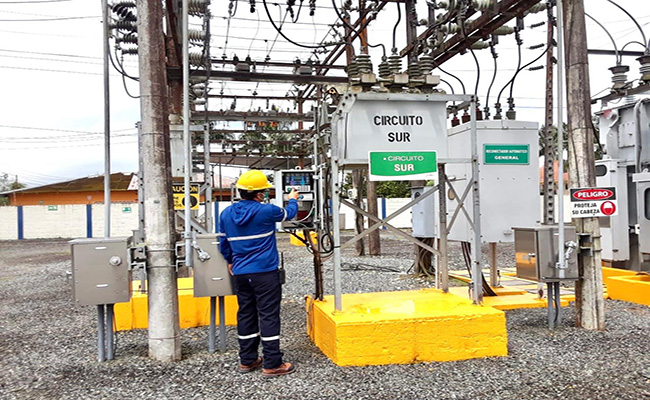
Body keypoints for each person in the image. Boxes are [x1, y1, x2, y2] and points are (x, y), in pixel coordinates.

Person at [219, 169, 300, 378]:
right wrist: (292, 199)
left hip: (240, 273)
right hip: (265, 273)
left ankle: (248, 359)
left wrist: (230, 261)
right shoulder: (266, 211)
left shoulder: (226, 213)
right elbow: (289, 214)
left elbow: (223, 242)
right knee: (268, 315)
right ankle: (272, 363)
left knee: (246, 313)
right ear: (260, 193)